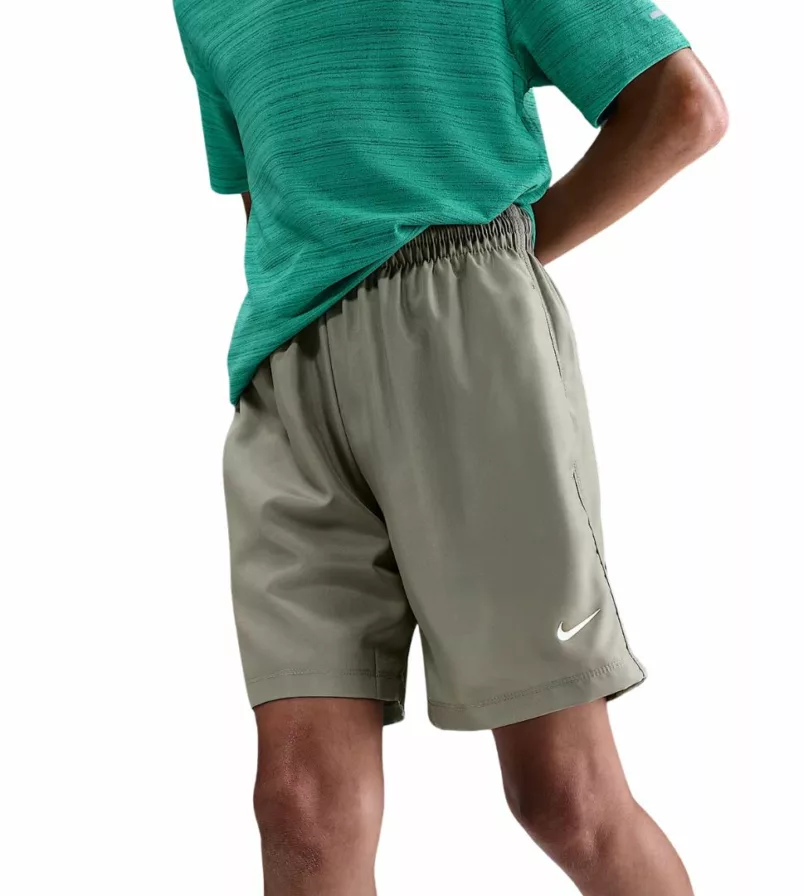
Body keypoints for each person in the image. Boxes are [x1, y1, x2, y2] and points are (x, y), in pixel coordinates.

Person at [174, 0, 726, 892]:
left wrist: (512, 254)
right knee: (301, 808)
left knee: (564, 794)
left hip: (463, 335)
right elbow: (269, 194)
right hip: (283, 381)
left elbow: (681, 105)